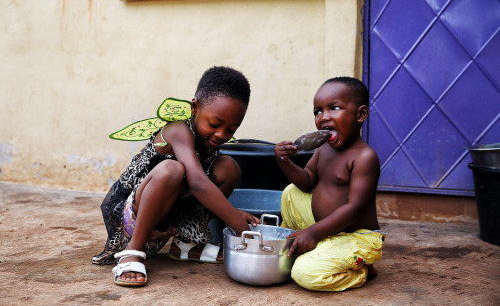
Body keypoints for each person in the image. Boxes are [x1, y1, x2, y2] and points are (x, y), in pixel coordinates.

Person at [92, 66, 259, 287]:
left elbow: (197, 186)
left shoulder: (208, 140)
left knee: (229, 167)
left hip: (168, 217)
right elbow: (198, 184)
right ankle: (132, 252)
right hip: (132, 218)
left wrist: (234, 212)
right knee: (172, 170)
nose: (221, 135)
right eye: (215, 124)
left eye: (231, 129)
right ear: (195, 107)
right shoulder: (177, 130)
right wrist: (241, 228)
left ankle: (184, 244)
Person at [274, 76, 385, 292]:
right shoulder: (323, 149)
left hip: (357, 237)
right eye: (317, 111)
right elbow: (306, 182)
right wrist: (284, 161)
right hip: (327, 228)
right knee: (291, 192)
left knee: (304, 273)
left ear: (360, 115)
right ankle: (301, 242)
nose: (323, 117)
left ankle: (361, 270)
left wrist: (314, 233)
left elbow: (355, 209)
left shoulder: (364, 157)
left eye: (334, 108)